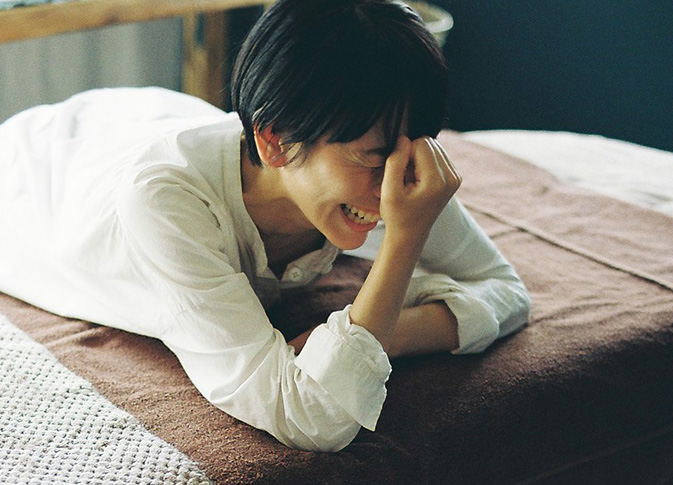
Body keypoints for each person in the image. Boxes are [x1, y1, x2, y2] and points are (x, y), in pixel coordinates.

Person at [0, 0, 529, 452]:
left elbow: (506, 288)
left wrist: (388, 335)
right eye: (372, 159)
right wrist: (405, 243)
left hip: (144, 118)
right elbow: (314, 419)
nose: (395, 187)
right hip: (32, 180)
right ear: (275, 142)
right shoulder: (165, 204)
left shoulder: (391, 161)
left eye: (413, 150)